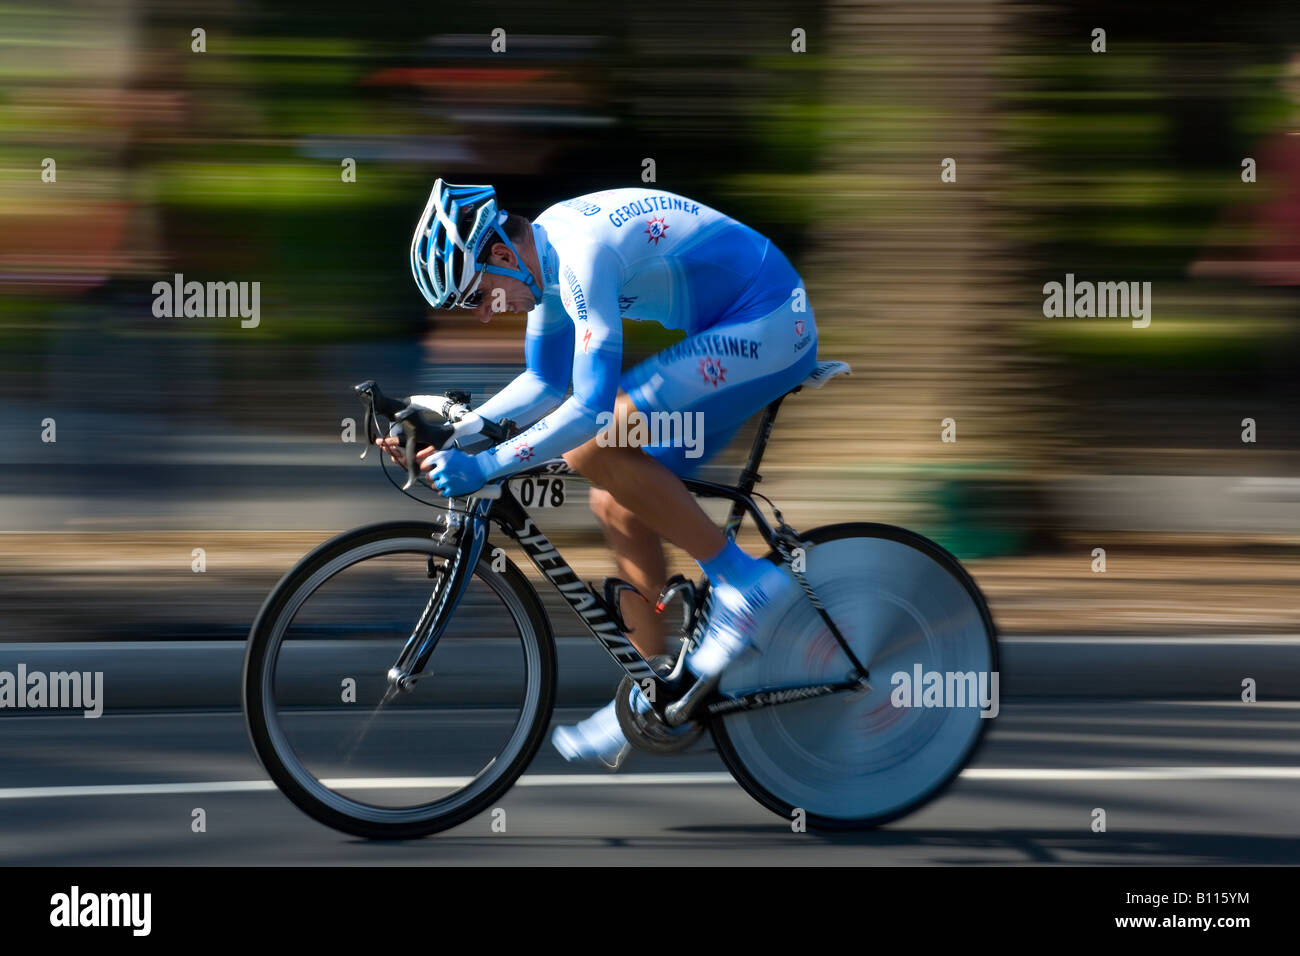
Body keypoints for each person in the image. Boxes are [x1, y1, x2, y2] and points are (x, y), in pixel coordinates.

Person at [393, 179, 818, 768]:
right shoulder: (541, 261)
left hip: (768, 321)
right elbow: (543, 383)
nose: (487, 315)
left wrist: (487, 464)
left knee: (595, 446)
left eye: (478, 297)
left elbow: (590, 407)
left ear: (498, 253)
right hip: (729, 332)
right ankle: (655, 694)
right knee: (616, 502)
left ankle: (745, 585)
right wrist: (453, 431)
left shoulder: (580, 254)